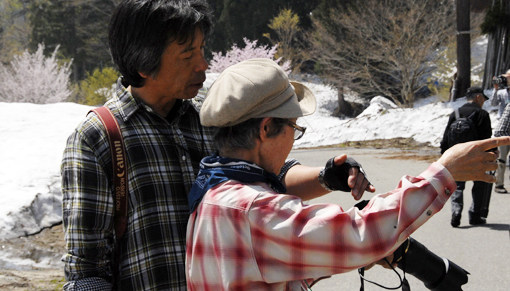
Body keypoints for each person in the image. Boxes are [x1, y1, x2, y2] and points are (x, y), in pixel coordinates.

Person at [61, 0, 372, 290]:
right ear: (144, 64)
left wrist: (326, 176)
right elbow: (87, 271)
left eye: (202, 49)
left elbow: (262, 183)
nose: (203, 65)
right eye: (187, 55)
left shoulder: (206, 117)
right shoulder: (99, 139)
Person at [185, 59, 505, 290]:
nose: (293, 140)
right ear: (267, 128)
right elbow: (358, 232)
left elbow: (262, 270)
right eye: (294, 129)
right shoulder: (251, 210)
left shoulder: (211, 195)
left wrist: (335, 257)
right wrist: (444, 172)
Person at [440, 86, 493, 227]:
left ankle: (456, 213)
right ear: (478, 97)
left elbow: (445, 138)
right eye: (483, 99)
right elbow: (486, 139)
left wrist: (444, 156)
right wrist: (492, 154)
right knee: (479, 185)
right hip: (477, 157)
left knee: (457, 185)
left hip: (456, 156)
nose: (483, 102)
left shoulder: (455, 113)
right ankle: (475, 215)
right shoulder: (482, 114)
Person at [490, 70, 510, 193]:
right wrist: (495, 89)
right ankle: (499, 184)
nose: (506, 79)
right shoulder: (502, 92)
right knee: (501, 158)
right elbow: (493, 103)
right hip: (503, 127)